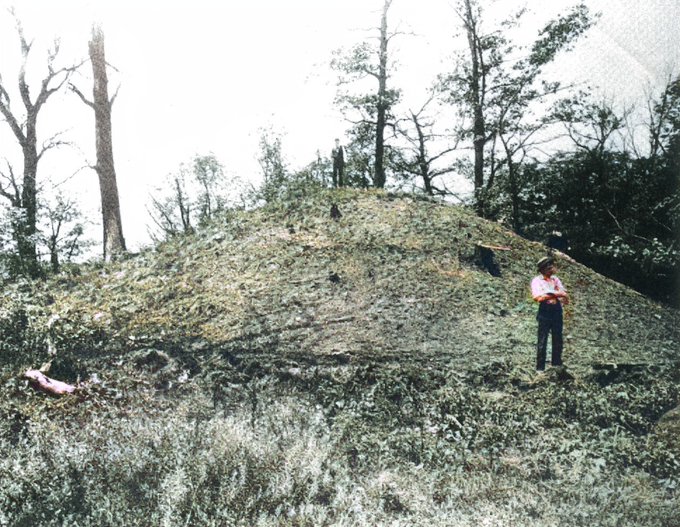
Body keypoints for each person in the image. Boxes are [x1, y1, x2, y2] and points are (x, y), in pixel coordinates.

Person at [531, 256, 569, 372]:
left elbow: (564, 293)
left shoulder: (555, 280)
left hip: (556, 310)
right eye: (548, 267)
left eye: (551, 266)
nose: (551, 269)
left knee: (557, 338)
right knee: (542, 339)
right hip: (545, 310)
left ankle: (556, 365)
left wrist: (553, 294)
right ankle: (540, 368)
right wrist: (556, 294)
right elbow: (538, 297)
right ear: (542, 269)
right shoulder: (537, 281)